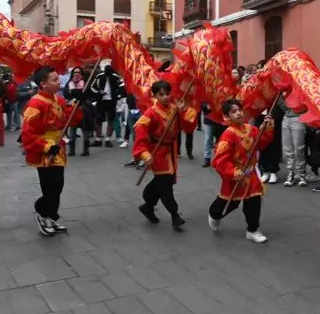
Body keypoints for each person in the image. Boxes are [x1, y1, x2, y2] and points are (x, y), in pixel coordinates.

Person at [20, 66, 82, 237]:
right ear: (43, 84)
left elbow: (70, 120)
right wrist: (46, 147)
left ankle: (51, 216)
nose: (59, 82)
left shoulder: (58, 100)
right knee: (50, 186)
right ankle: (43, 213)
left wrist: (77, 105)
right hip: (45, 151)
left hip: (58, 148)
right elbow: (27, 132)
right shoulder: (35, 103)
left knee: (58, 185)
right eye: (54, 80)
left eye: (58, 79)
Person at [133, 80, 198, 230]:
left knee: (163, 181)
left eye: (167, 94)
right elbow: (140, 131)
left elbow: (189, 126)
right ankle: (175, 215)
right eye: (161, 94)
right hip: (158, 152)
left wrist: (183, 110)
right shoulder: (151, 113)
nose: (165, 97)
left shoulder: (175, 108)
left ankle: (148, 205)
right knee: (166, 185)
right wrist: (144, 153)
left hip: (171, 151)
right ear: (154, 95)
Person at [208, 99, 274, 243]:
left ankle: (253, 230)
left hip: (251, 174)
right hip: (235, 175)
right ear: (226, 116)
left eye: (239, 110)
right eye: (234, 112)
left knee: (254, 201)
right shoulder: (228, 135)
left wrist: (266, 128)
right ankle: (214, 214)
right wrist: (234, 173)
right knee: (230, 203)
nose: (238, 113)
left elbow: (261, 143)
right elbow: (219, 161)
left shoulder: (252, 129)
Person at [91, 64, 125, 147]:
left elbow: (121, 86)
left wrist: (117, 95)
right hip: (101, 101)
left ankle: (107, 139)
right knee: (98, 120)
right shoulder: (99, 76)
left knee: (111, 120)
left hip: (111, 101)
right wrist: (99, 92)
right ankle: (98, 139)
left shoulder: (115, 77)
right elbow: (92, 87)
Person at [279, 95, 308, 187]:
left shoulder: (301, 88)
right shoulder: (285, 89)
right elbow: (281, 104)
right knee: (287, 149)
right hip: (286, 118)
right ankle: (290, 173)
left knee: (299, 148)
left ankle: (301, 174)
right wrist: (284, 101)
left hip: (299, 117)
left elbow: (306, 103)